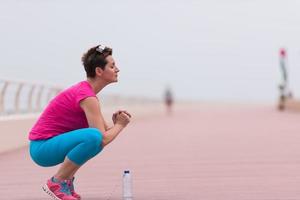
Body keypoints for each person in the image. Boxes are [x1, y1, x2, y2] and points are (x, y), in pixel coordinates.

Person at [28, 45, 131, 200]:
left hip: (48, 146)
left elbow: (104, 133)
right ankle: (57, 182)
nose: (117, 69)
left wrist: (115, 123)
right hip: (42, 148)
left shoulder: (88, 94)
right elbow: (102, 137)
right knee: (93, 138)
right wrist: (121, 125)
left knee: (94, 141)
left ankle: (66, 181)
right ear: (99, 71)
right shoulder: (87, 96)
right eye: (112, 66)